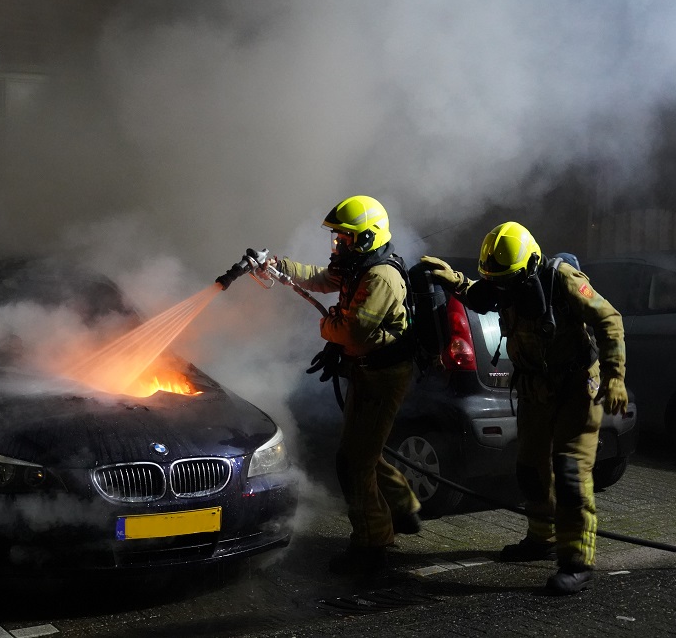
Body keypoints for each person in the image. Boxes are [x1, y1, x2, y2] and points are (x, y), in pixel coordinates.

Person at [419, 222, 627, 595]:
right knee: (530, 468)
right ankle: (541, 538)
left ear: (529, 264)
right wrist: (454, 280)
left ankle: (577, 561)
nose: (503, 290)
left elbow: (609, 320)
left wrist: (615, 378)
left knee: (570, 473)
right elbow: (482, 295)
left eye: (507, 281)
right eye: (496, 281)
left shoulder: (561, 280)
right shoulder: (508, 282)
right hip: (535, 390)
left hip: (576, 389)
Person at [260, 194, 422, 575]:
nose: (337, 244)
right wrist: (277, 266)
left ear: (366, 238)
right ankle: (403, 507)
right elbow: (318, 278)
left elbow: (353, 330)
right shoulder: (355, 265)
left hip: (384, 376)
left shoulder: (381, 276)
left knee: (353, 462)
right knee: (363, 450)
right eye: (336, 238)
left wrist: (326, 326)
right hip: (366, 371)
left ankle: (372, 546)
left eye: (344, 238)